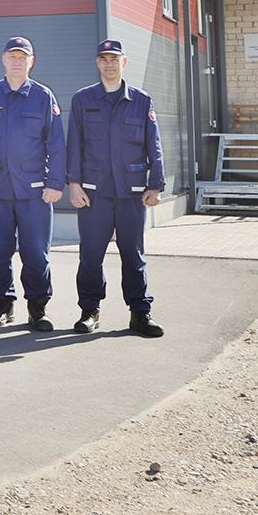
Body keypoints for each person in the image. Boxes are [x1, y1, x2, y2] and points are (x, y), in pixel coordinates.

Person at [65, 39, 166, 338]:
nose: (109, 64)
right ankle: (89, 311)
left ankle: (140, 313)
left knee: (133, 254)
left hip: (132, 192)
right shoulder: (83, 100)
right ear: (98, 63)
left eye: (114, 59)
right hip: (94, 193)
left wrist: (156, 185)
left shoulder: (141, 100)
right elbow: (74, 145)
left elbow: (154, 146)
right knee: (91, 255)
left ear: (124, 63)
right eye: (104, 59)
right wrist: (73, 184)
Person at [0, 36, 65, 331]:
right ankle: (3, 304)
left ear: (32, 61)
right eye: (12, 56)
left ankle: (37, 308)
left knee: (35, 252)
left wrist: (55, 182)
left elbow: (56, 143)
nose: (17, 61)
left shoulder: (43, 96)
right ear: (3, 60)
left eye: (23, 57)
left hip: (35, 190)